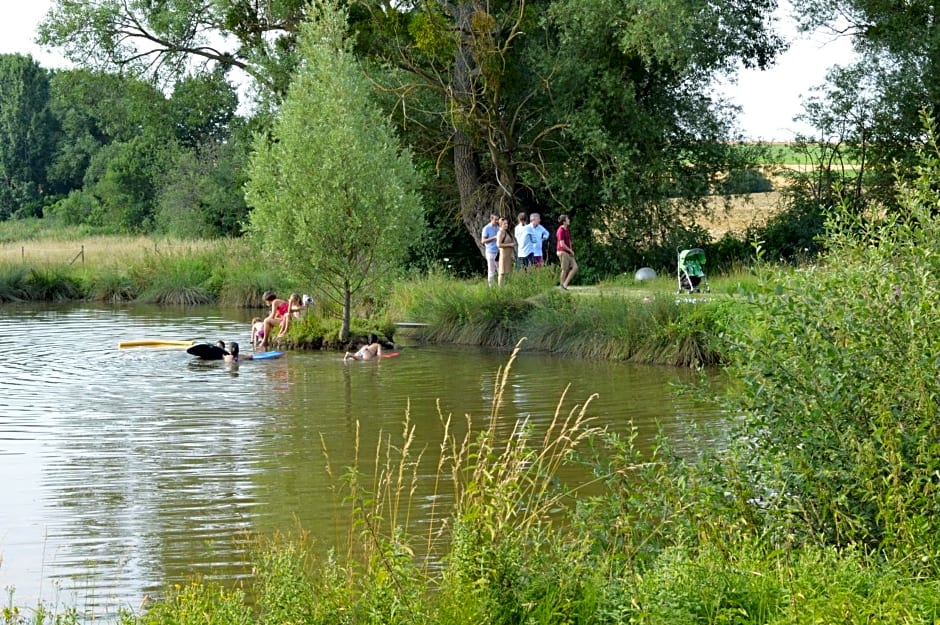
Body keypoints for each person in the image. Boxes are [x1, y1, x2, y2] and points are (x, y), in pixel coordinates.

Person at [556, 214, 578, 290]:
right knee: (564, 270)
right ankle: (562, 287)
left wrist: (571, 250)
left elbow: (569, 241)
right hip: (562, 252)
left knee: (575, 267)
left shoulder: (566, 229)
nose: (569, 220)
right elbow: (562, 244)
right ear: (564, 221)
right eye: (567, 219)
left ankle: (565, 285)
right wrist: (570, 250)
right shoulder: (560, 230)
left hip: (568, 252)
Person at [480, 213, 500, 287]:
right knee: (491, 270)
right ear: (491, 219)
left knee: (500, 270)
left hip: (498, 251)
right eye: (495, 219)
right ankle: (491, 287)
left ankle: (501, 286)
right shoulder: (486, 228)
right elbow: (483, 241)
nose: (497, 221)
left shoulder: (498, 228)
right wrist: (494, 238)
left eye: (498, 219)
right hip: (490, 251)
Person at [496, 216, 516, 286]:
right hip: (503, 255)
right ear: (501, 224)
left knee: (508, 271)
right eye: (504, 224)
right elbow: (498, 244)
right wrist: (510, 244)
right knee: (502, 272)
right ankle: (500, 288)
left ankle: (507, 286)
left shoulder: (507, 232)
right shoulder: (500, 233)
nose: (506, 225)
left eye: (507, 223)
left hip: (508, 255)